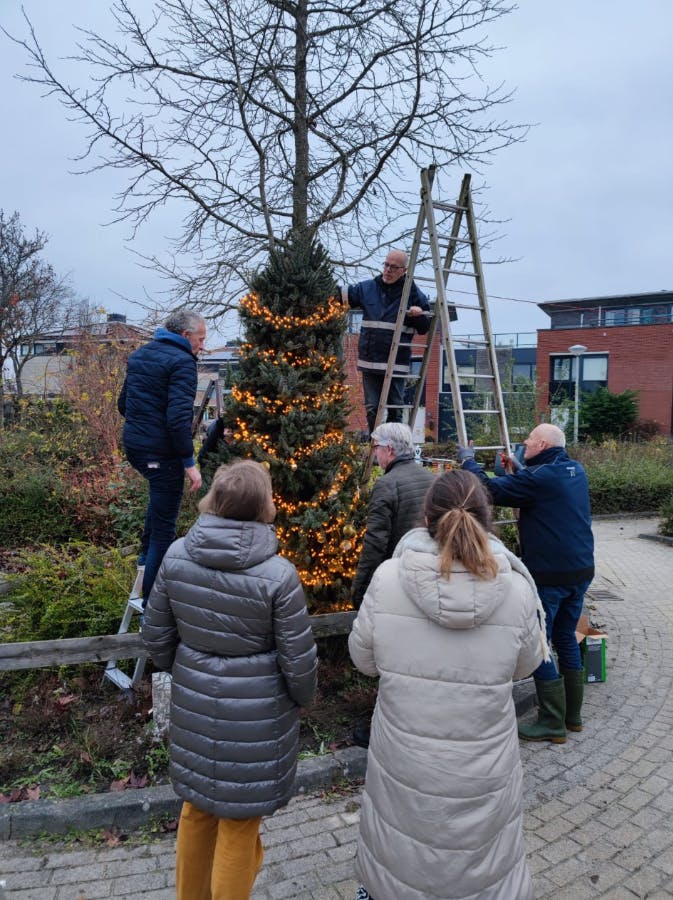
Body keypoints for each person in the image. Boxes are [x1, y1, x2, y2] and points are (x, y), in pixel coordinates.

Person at [348, 469, 547, 900]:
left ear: (426, 518)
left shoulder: (387, 579)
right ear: (487, 517)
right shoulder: (515, 589)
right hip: (484, 766)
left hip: (405, 761)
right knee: (482, 870)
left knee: (399, 864)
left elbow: (363, 661)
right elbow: (526, 665)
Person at [142, 460, 318, 900]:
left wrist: (185, 667)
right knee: (239, 825)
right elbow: (300, 663)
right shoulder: (279, 575)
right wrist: (301, 698)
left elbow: (155, 636)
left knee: (196, 812)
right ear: (264, 505)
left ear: (215, 499)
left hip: (196, 708)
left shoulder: (177, 555)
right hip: (257, 721)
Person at [458, 423, 595, 743]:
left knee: (539, 643)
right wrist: (517, 469)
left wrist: (468, 461)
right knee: (564, 636)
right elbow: (540, 487)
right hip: (580, 571)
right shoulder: (575, 470)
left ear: (543, 444)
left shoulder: (541, 479)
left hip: (550, 576)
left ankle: (550, 721)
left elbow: (488, 491)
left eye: (530, 440)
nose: (525, 443)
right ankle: (572, 717)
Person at [350, 422, 435, 748]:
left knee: (393, 662)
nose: (373, 454)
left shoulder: (387, 486)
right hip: (427, 577)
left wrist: (361, 588)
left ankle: (384, 730)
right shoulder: (430, 480)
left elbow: (375, 543)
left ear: (388, 450)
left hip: (398, 581)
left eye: (375, 448)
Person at [117, 309, 206, 604]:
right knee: (164, 533)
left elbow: (122, 405)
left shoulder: (141, 354)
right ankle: (152, 606)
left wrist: (144, 426)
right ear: (185, 336)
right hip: (161, 454)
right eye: (200, 338)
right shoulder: (183, 362)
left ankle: (143, 558)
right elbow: (178, 421)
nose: (202, 345)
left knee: (159, 503)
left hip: (135, 448)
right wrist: (189, 464)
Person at [343, 249, 430, 435]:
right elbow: (342, 296)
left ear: (403, 270)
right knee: (372, 408)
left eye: (393, 267)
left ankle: (394, 444)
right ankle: (377, 444)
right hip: (370, 362)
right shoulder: (368, 289)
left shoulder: (412, 292)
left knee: (396, 408)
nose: (388, 270)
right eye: (386, 265)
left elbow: (424, 326)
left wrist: (418, 314)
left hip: (396, 363)